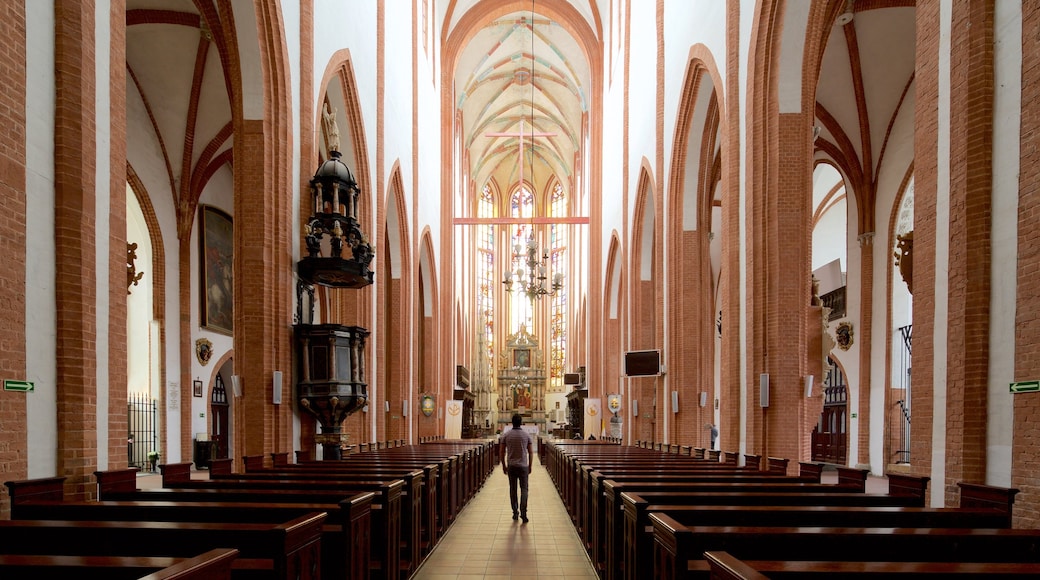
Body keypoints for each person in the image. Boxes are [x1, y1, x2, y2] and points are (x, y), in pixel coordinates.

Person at [500, 413, 533, 523]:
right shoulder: (526, 435)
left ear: (512, 423)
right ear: (521, 422)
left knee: (513, 489)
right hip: (523, 466)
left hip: (512, 466)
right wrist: (530, 465)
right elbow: (531, 452)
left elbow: (501, 452)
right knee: (524, 489)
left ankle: (515, 512)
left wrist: (503, 465)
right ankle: (523, 512)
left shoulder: (506, 435)